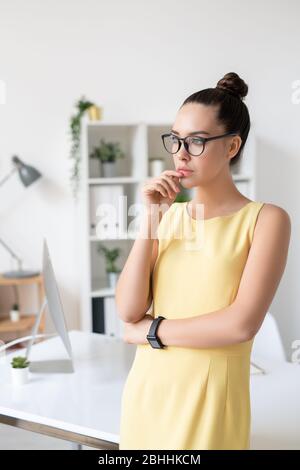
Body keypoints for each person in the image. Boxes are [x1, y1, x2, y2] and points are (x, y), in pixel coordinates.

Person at [116, 72, 291, 450]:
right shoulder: (167, 218)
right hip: (147, 393)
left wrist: (150, 332)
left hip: (211, 400)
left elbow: (240, 325)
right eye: (176, 139)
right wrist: (150, 218)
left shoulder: (266, 220)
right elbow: (129, 310)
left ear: (232, 146)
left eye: (196, 141)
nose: (180, 152)